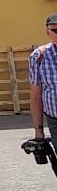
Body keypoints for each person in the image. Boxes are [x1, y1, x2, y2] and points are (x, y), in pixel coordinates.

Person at [32, 17, 57, 145]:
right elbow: (36, 96)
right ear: (48, 32)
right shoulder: (39, 56)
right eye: (55, 30)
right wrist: (38, 131)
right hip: (55, 120)